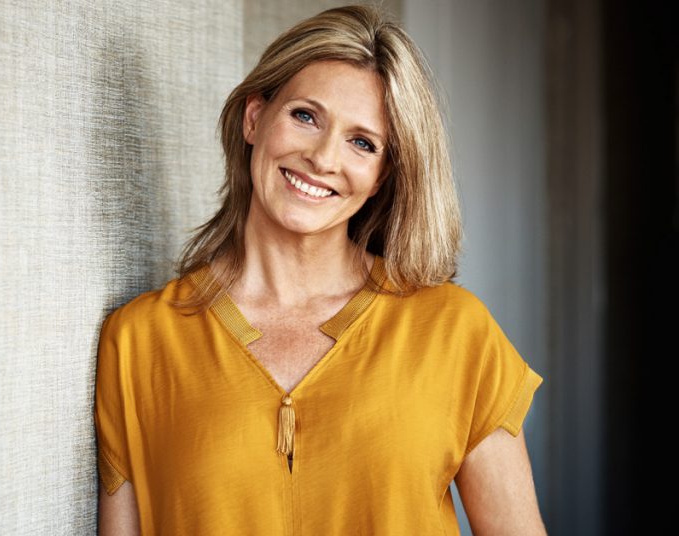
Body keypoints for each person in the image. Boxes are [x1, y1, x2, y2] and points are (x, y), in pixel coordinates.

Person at [94, 4, 547, 535]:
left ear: (381, 176)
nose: (323, 158)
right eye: (305, 116)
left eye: (362, 143)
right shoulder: (140, 341)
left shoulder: (455, 332)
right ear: (254, 118)